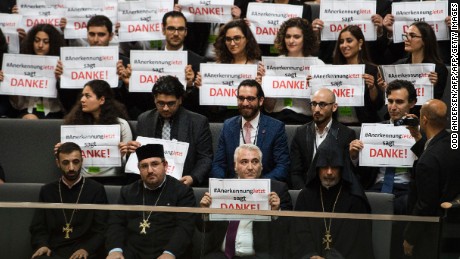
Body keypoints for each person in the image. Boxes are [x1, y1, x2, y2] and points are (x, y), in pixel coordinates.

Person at [349, 79, 417, 259]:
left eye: (399, 102)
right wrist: (355, 157)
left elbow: (426, 170)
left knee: (407, 204)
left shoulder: (420, 132)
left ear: (412, 103)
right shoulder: (374, 130)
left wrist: (419, 144)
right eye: (390, 101)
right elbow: (362, 174)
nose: (393, 107)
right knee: (355, 200)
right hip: (376, 187)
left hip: (405, 189)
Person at [198, 144, 292, 258]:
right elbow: (203, 228)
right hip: (221, 255)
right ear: (235, 166)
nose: (250, 167)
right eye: (244, 162)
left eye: (255, 161)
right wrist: (205, 212)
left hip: (258, 256)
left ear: (261, 166)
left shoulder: (278, 190)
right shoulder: (221, 188)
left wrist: (276, 212)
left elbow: (288, 230)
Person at [106, 144, 196, 259]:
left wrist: (170, 253)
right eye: (144, 166)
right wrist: (115, 250)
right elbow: (116, 223)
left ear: (165, 165)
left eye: (154, 164)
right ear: (139, 169)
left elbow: (185, 228)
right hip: (132, 253)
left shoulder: (183, 191)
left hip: (168, 252)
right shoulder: (127, 191)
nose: (149, 170)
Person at [291, 135, 375, 259]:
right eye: (324, 167)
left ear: (342, 169)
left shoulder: (355, 199)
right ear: (317, 169)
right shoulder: (306, 196)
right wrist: (311, 255)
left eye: (334, 167)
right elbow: (299, 234)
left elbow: (357, 243)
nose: (329, 172)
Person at [127, 75, 213, 187]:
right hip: (151, 182)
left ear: (180, 100)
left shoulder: (198, 122)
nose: (165, 108)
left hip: (182, 183)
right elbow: (140, 156)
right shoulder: (144, 119)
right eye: (161, 103)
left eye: (171, 103)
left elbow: (205, 158)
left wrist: (193, 177)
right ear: (154, 99)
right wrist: (132, 151)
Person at [30, 142, 108, 259]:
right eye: (65, 163)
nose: (71, 168)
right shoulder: (47, 190)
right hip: (54, 250)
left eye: (75, 162)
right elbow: (38, 226)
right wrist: (42, 245)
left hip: (84, 251)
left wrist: (86, 248)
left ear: (82, 161)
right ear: (58, 163)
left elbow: (101, 228)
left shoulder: (96, 189)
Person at [403, 99, 460, 259]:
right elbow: (436, 152)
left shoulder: (427, 161)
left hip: (430, 232)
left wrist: (410, 237)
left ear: (424, 120)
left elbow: (424, 205)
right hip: (451, 224)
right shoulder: (453, 143)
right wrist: (418, 137)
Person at [124, 11, 207, 118]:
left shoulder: (198, 62)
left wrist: (190, 86)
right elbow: (141, 102)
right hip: (154, 119)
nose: (176, 33)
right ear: (163, 30)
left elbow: (201, 107)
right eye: (171, 28)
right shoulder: (149, 60)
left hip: (186, 121)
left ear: (186, 32)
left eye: (180, 29)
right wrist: (129, 84)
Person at [55, 79, 133, 185]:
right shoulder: (74, 125)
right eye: (82, 96)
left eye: (87, 96)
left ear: (101, 100)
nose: (82, 100)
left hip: (114, 179)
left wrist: (125, 154)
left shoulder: (121, 125)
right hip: (83, 180)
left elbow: (129, 163)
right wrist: (61, 151)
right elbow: (70, 158)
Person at [211, 79, 290, 182]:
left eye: (250, 99)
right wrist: (225, 184)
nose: (245, 103)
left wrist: (258, 185)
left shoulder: (275, 128)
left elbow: (282, 166)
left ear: (261, 101)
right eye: (241, 98)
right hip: (233, 189)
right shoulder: (228, 126)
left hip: (264, 190)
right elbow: (218, 164)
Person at [57, 15, 129, 116]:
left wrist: (124, 83)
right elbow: (68, 102)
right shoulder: (73, 61)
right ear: (87, 35)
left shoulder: (123, 63)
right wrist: (62, 79)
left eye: (101, 35)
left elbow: (131, 103)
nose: (95, 39)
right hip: (82, 115)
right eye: (92, 34)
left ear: (111, 36)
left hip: (114, 116)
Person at [290, 88, 356, 190]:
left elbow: (348, 173)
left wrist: (353, 156)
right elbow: (295, 171)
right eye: (314, 104)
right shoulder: (301, 133)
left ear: (334, 107)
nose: (316, 109)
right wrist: (303, 194)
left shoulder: (346, 134)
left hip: (335, 191)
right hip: (307, 190)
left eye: (322, 104)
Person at [262, 17, 323, 124]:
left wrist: (314, 88)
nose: (291, 41)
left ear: (306, 38)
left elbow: (322, 106)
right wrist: (265, 84)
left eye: (296, 37)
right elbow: (269, 107)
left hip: (306, 121)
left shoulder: (317, 64)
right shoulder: (273, 64)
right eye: (288, 36)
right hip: (277, 119)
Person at [0, 24, 65, 119]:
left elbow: (66, 103)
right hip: (27, 112)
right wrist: (6, 82)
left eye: (46, 42)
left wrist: (60, 80)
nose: (40, 45)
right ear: (31, 42)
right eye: (37, 40)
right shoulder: (20, 64)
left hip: (54, 113)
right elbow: (17, 104)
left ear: (53, 44)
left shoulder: (60, 66)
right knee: (30, 118)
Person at [332, 25, 384, 125]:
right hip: (338, 125)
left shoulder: (372, 70)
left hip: (364, 124)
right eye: (341, 42)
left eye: (349, 40)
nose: (344, 45)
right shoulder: (333, 70)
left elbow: (378, 105)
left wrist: (372, 88)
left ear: (360, 43)